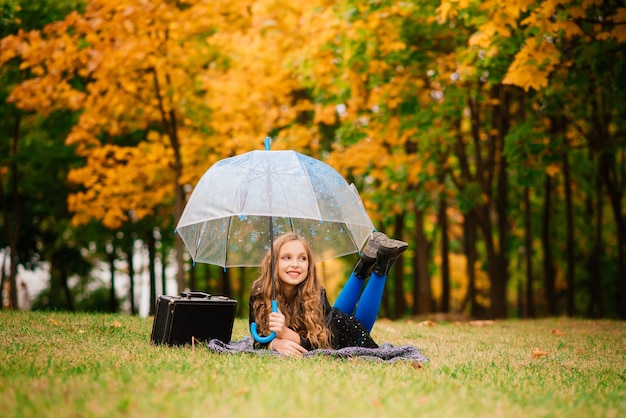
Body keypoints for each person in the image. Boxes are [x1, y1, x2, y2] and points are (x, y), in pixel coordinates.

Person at [248, 231, 408, 357]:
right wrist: (274, 344)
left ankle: (382, 264)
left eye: (302, 258)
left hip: (339, 335)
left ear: (309, 265)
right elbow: (257, 338)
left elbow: (318, 346)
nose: (295, 264)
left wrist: (284, 333)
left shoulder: (315, 293)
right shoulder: (259, 294)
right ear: (273, 263)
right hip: (333, 319)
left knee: (360, 331)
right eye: (286, 258)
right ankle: (365, 263)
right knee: (338, 318)